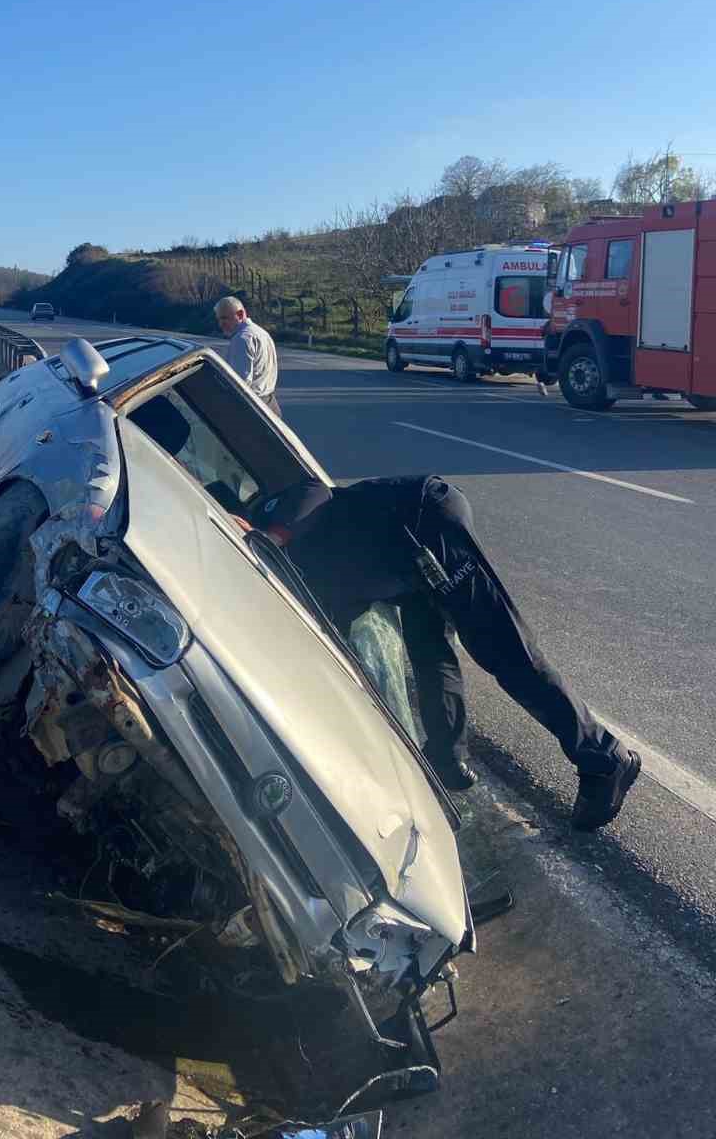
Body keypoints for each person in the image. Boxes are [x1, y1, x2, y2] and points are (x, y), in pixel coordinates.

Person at [247, 473, 640, 833]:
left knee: (506, 653)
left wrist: (269, 534)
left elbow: (313, 490)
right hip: (405, 572)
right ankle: (447, 760)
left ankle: (604, 758)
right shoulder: (291, 594)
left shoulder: (260, 528)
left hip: (421, 526)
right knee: (431, 657)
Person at [214, 296, 280, 414]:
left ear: (240, 314)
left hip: (255, 407)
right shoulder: (261, 332)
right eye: (219, 319)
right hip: (270, 403)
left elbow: (240, 383)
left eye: (224, 318)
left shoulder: (242, 339)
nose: (220, 324)